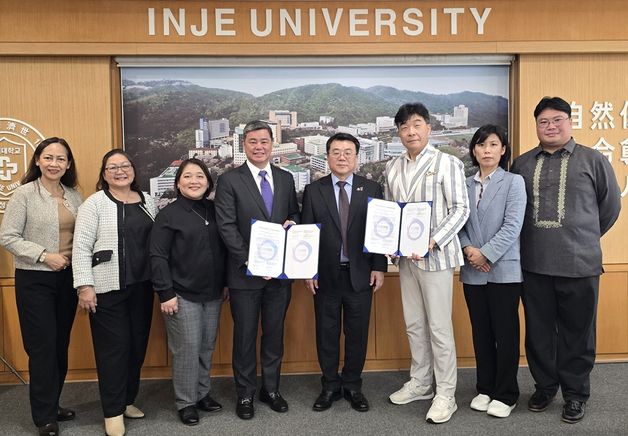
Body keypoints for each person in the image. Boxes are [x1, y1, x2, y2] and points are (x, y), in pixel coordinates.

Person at [511, 96, 621, 424]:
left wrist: (583, 237)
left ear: (569, 122)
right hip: (534, 265)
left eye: (557, 120)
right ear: (536, 126)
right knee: (539, 332)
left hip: (580, 264)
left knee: (578, 333)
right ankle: (545, 387)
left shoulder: (593, 159)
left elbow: (610, 206)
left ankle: (575, 393)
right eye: (544, 122)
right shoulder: (522, 163)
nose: (551, 127)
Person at [385, 103, 469, 424]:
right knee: (414, 324)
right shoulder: (393, 167)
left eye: (417, 125)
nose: (411, 132)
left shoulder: (447, 162)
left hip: (436, 257)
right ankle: (420, 382)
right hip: (406, 260)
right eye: (405, 127)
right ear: (399, 133)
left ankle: (445, 392)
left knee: (439, 327)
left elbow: (460, 209)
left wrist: (433, 239)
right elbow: (393, 214)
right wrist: (392, 246)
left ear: (429, 128)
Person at [215, 120, 299, 420]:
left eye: (264, 141)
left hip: (279, 276)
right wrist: (251, 261)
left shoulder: (286, 178)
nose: (259, 146)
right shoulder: (229, 181)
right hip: (244, 275)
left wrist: (292, 224)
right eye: (253, 141)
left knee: (274, 334)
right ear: (244, 145)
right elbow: (226, 227)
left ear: (272, 144)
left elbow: (293, 214)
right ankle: (246, 394)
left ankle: (271, 389)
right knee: (245, 336)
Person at [0, 137, 82, 436]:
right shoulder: (24, 194)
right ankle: (44, 416)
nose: (54, 163)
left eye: (61, 159)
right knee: (43, 347)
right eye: (48, 157)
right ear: (37, 160)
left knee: (60, 345)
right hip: (35, 278)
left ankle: (53, 403)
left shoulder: (74, 195)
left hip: (68, 279)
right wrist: (44, 256)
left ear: (68, 164)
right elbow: (8, 237)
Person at [72, 149, 157, 436]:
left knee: (136, 346)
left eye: (125, 166)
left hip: (143, 287)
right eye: (113, 167)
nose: (120, 171)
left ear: (133, 169)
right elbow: (81, 247)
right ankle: (112, 411)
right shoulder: (94, 204)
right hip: (107, 288)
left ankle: (126, 400)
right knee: (113, 351)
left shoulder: (148, 201)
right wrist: (85, 286)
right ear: (104, 174)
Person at [301, 133, 387, 413]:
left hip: (360, 274)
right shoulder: (314, 191)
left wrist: (378, 266)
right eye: (336, 152)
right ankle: (329, 385)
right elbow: (307, 235)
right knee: (325, 333)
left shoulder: (372, 188)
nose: (342, 157)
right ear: (327, 157)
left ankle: (352, 385)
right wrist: (308, 271)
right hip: (325, 276)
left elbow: (380, 233)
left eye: (348, 152)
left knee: (357, 333)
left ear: (357, 158)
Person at [150, 158, 227, 426]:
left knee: (206, 346)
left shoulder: (215, 209)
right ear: (178, 182)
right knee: (186, 349)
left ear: (208, 182)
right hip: (181, 294)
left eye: (199, 176)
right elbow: (157, 257)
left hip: (214, 292)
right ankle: (186, 402)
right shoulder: (168, 215)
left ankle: (202, 393)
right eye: (187, 177)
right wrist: (165, 293)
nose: (194, 181)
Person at [458, 125, 526, 418]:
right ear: (474, 150)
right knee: (481, 332)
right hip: (472, 270)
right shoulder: (463, 183)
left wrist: (485, 253)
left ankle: (506, 393)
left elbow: (513, 226)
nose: (487, 150)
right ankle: (485, 388)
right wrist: (468, 250)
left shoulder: (514, 182)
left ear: (503, 150)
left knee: (505, 332)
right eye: (481, 145)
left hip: (503, 270)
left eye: (493, 144)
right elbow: (457, 221)